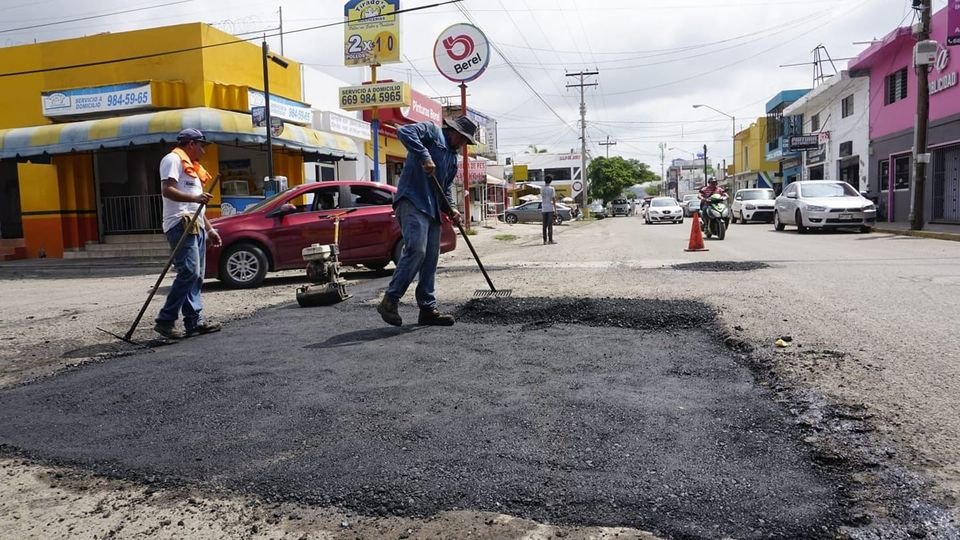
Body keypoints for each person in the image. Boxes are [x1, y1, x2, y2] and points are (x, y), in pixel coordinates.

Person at [377, 116, 478, 327]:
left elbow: (445, 188)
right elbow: (404, 132)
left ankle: (427, 309)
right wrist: (424, 156)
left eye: (466, 142)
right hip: (412, 200)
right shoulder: (432, 132)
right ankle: (390, 300)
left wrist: (452, 209)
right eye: (463, 139)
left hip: (432, 209)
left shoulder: (452, 159)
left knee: (431, 257)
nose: (463, 145)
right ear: (454, 131)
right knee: (417, 249)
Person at [154, 128, 222, 339]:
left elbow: (197, 208)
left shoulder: (193, 168)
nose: (203, 149)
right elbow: (167, 190)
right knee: (189, 272)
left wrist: (210, 229)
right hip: (180, 224)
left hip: (196, 224)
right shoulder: (172, 160)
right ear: (190, 144)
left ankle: (194, 322)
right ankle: (165, 320)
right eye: (201, 145)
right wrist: (195, 199)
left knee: (197, 276)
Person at [540, 175, 558, 245]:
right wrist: (555, 210)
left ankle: (545, 241)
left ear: (545, 180)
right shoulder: (552, 189)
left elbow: (542, 196)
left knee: (544, 226)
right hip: (550, 208)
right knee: (550, 225)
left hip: (544, 208)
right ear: (551, 181)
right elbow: (553, 200)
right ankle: (550, 240)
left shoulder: (542, 189)